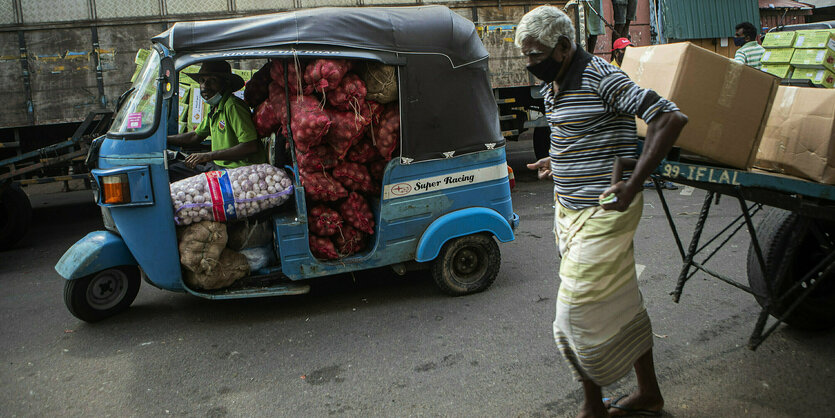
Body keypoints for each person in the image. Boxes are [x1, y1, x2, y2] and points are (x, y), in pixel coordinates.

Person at [515, 6, 688, 418]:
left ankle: (593, 404)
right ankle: (649, 394)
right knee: (621, 302)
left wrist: (633, 183)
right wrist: (555, 162)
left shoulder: (600, 75)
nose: (530, 64)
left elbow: (669, 117)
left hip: (605, 211)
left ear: (562, 46)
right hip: (569, 212)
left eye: (536, 55)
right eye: (526, 56)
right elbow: (582, 134)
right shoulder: (556, 84)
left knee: (571, 317)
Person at [167, 61, 267, 182]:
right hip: (218, 166)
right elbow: (195, 136)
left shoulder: (233, 106)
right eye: (202, 81)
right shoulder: (215, 107)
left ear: (226, 83)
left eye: (212, 81)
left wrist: (208, 156)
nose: (205, 86)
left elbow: (250, 146)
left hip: (236, 171)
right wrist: (163, 139)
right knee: (171, 170)